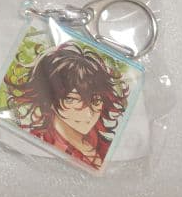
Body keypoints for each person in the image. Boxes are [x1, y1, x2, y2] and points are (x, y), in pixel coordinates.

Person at [8, 42, 129, 170]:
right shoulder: (38, 144)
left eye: (95, 101)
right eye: (72, 100)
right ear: (49, 98)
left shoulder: (105, 146)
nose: (88, 114)